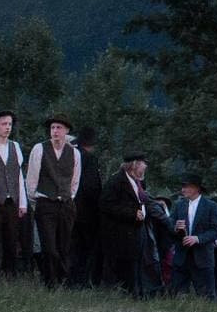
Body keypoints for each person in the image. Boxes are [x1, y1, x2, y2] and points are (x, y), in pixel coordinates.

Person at [26, 115, 81, 288]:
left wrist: (68, 197)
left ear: (66, 131)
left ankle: (61, 281)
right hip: (45, 202)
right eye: (52, 128)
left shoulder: (74, 152)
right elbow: (32, 177)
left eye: (58, 128)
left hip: (65, 203)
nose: (55, 131)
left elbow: (75, 180)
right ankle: (50, 282)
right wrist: (35, 198)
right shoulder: (40, 149)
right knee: (49, 246)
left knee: (63, 245)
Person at [99, 153, 155, 296]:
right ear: (135, 164)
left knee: (136, 262)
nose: (145, 166)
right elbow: (106, 205)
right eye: (143, 163)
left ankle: (135, 292)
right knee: (120, 264)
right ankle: (116, 292)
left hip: (137, 230)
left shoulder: (139, 182)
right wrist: (131, 213)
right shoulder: (116, 181)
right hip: (120, 232)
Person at [0, 112, 29, 279]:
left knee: (12, 238)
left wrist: (22, 203)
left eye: (9, 124)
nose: (7, 127)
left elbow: (18, 177)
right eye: (4, 124)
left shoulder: (15, 146)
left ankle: (11, 273)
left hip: (12, 201)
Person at [170, 175, 217, 299]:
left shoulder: (211, 206)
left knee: (206, 296)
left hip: (202, 258)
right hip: (181, 257)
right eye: (182, 187)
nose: (182, 190)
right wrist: (175, 226)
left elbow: (216, 230)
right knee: (177, 295)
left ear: (196, 188)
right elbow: (170, 223)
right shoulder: (179, 205)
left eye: (186, 187)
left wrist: (198, 238)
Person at [72, 127, 105, 287]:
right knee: (85, 248)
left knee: (72, 246)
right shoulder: (90, 159)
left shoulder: (72, 155)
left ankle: (70, 279)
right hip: (87, 211)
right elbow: (91, 186)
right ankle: (82, 281)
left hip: (70, 208)